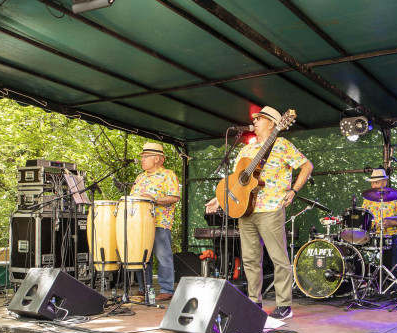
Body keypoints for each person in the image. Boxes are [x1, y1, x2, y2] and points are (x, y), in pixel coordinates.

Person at [206, 106, 313, 320]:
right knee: (250, 259)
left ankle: (284, 305)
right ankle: (254, 301)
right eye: (255, 118)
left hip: (271, 208)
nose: (254, 121)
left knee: (278, 258)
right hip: (245, 209)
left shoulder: (282, 145)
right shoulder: (247, 149)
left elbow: (307, 166)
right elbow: (237, 180)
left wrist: (293, 190)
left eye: (260, 118)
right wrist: (219, 199)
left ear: (273, 124)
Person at [130, 142, 181, 301]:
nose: (142, 160)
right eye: (142, 157)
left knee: (163, 256)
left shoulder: (168, 175)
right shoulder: (140, 177)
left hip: (159, 223)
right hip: (139, 224)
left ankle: (167, 289)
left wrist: (155, 200)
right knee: (141, 256)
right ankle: (144, 288)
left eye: (145, 157)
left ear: (157, 158)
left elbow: (175, 197)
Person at [360, 169, 397, 270]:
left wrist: (391, 223)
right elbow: (363, 218)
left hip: (391, 235)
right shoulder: (367, 199)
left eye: (376, 182)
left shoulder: (396, 197)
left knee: (396, 251)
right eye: (372, 183)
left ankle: (394, 284)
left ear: (384, 182)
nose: (374, 185)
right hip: (373, 236)